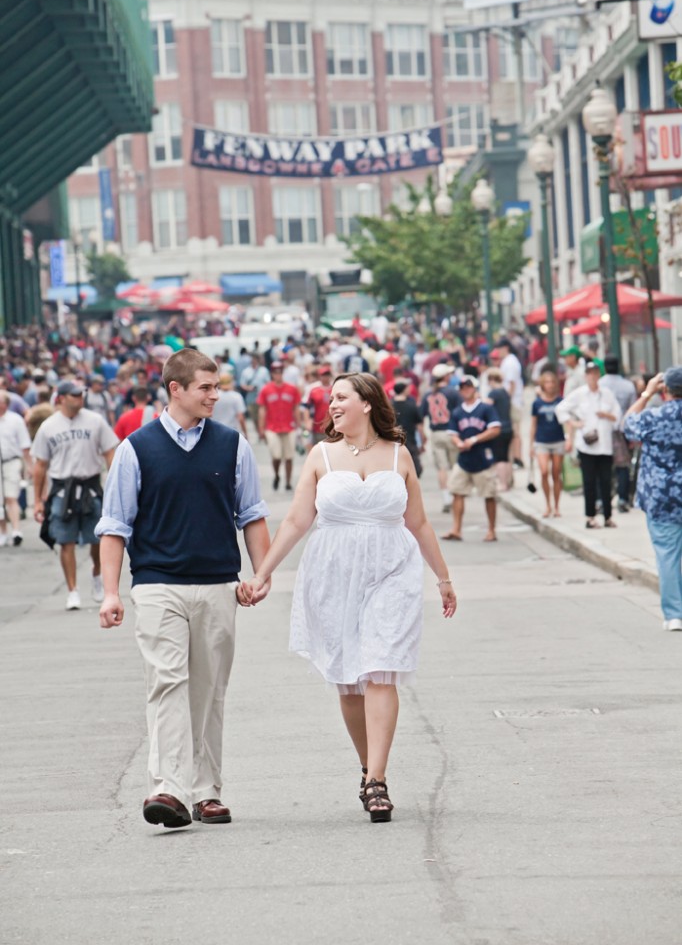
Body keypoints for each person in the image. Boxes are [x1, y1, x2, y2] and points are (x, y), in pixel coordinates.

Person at [240, 373, 456, 823]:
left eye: (341, 398)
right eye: (330, 399)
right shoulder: (320, 456)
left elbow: (417, 523)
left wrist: (443, 578)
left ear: (367, 403)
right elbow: (298, 520)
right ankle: (366, 765)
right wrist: (262, 573)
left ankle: (377, 780)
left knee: (381, 668)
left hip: (392, 570)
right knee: (348, 679)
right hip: (334, 573)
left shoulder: (399, 455)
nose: (332, 405)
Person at [97, 348, 271, 829]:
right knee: (168, 681)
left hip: (218, 584)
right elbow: (115, 526)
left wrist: (261, 573)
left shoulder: (233, 446)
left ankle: (207, 791)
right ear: (176, 389)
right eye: (206, 388)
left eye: (217, 387)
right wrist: (111, 592)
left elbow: (252, 515)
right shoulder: (136, 449)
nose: (216, 395)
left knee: (208, 690)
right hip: (157, 585)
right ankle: (168, 788)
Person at [31, 379, 118, 610]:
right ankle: (73, 590)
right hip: (62, 489)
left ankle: (97, 574)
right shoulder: (49, 426)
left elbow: (110, 451)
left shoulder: (95, 421)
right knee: (65, 541)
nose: (80, 398)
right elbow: (40, 466)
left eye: (82, 394)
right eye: (75, 395)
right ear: (61, 398)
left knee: (98, 538)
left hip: (89, 484)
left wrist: (113, 482)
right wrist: (37, 500)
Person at [623, 369, 682, 631]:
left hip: (662, 496)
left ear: (665, 390)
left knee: (667, 556)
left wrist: (646, 393)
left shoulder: (655, 416)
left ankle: (675, 614)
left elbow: (627, 424)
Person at [556, 361, 621, 530]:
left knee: (606, 481)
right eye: (589, 374)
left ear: (599, 375)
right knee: (589, 481)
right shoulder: (579, 394)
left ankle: (607, 516)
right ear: (586, 376)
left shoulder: (606, 394)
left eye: (595, 373)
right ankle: (590, 516)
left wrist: (606, 415)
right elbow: (561, 409)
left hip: (605, 443)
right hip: (587, 444)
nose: (592, 377)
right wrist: (574, 423)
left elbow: (618, 415)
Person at [442, 375, 501, 543]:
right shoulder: (458, 412)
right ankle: (456, 529)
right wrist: (459, 442)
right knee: (457, 492)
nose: (465, 390)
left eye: (468, 387)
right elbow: (452, 433)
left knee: (489, 494)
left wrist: (474, 439)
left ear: (474, 389)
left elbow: (495, 429)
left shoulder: (485, 408)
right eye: (462, 388)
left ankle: (491, 530)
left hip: (483, 457)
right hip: (464, 459)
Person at [419, 363, 462, 512]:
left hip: (436, 433)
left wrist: (423, 436)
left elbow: (421, 415)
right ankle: (454, 493)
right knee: (454, 465)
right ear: (445, 376)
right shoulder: (453, 393)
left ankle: (446, 497)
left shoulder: (428, 394)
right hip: (452, 432)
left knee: (442, 467)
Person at [600, 355, 637, 513]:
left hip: (603, 430)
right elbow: (633, 410)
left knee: (603, 467)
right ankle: (622, 498)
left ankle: (603, 500)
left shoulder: (599, 385)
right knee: (622, 466)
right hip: (621, 431)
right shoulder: (628, 386)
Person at [257, 361, 302, 491]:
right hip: (272, 427)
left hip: (289, 427)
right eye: (275, 372)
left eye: (280, 372)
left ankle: (288, 481)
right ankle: (276, 475)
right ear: (272, 374)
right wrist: (261, 428)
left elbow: (296, 408)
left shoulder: (292, 389)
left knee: (289, 456)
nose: (278, 374)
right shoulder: (266, 389)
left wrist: (299, 426)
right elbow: (262, 409)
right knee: (276, 455)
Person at [529, 369, 565, 518]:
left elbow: (566, 422)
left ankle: (556, 506)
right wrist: (531, 444)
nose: (549, 385)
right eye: (547, 382)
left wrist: (569, 438)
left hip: (557, 439)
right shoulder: (537, 403)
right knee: (544, 472)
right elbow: (533, 424)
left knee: (556, 473)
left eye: (552, 382)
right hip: (542, 440)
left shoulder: (560, 401)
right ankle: (547, 505)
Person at [0, 390, 32, 546]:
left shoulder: (15, 420)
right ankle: (3, 531)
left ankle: (16, 529)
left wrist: (29, 466)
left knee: (11, 496)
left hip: (11, 462)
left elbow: (25, 445)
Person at [494, 338, 524, 468]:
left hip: (513, 401)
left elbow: (511, 383)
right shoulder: (508, 361)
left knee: (515, 431)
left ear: (505, 348)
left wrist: (506, 401)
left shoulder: (510, 362)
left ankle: (518, 458)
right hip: (512, 400)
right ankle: (514, 457)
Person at [485, 368, 513, 492]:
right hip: (508, 428)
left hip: (499, 429)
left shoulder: (494, 393)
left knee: (499, 458)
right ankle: (508, 481)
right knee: (506, 457)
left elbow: (485, 408)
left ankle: (502, 483)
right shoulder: (505, 392)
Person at [391, 380, 424, 477]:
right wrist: (422, 441)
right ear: (404, 389)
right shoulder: (412, 405)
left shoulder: (388, 405)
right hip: (410, 441)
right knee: (415, 470)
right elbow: (419, 425)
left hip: (393, 443)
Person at [303, 364, 334, 446]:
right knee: (317, 448)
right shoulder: (314, 390)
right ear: (320, 376)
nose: (325, 377)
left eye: (327, 374)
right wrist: (307, 422)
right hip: (317, 426)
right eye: (323, 375)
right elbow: (308, 408)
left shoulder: (334, 389)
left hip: (332, 426)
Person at [212, 372, 248, 437]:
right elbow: (241, 418)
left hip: (215, 432)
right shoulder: (236, 396)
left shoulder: (214, 396)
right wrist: (245, 433)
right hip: (232, 432)